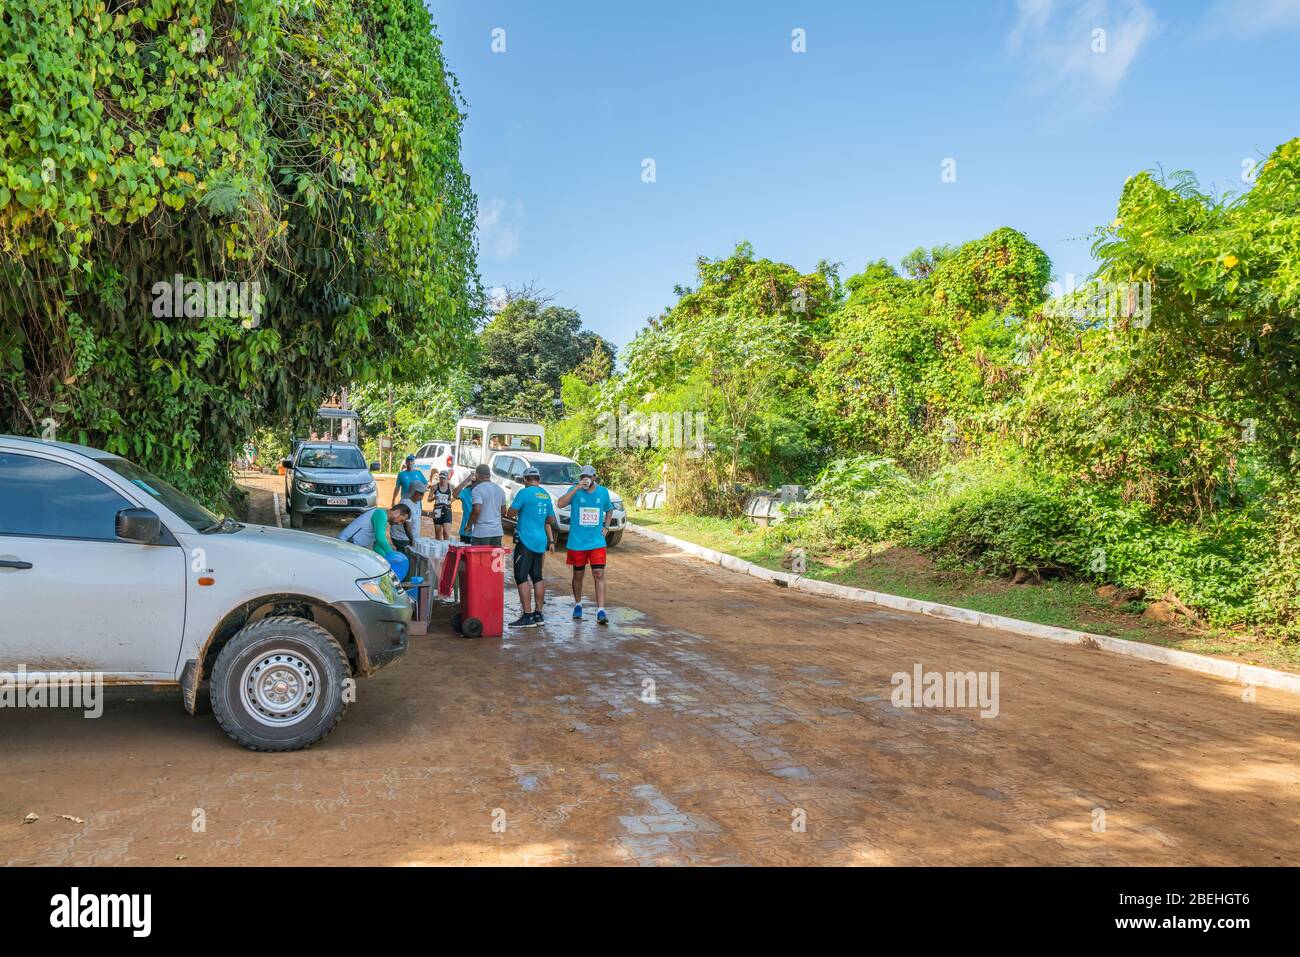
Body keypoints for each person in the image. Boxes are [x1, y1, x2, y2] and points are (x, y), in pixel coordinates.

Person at [556, 464, 614, 625]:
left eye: (588, 477)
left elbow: (609, 509)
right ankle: (578, 604)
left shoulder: (603, 492)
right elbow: (560, 504)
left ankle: (601, 610)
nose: (585, 479)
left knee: (599, 574)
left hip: (596, 542)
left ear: (595, 477)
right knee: (578, 575)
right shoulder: (575, 491)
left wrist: (606, 527)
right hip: (577, 542)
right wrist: (576, 488)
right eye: (582, 477)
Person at [506, 466, 559, 628]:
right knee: (537, 576)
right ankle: (539, 614)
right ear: (539, 479)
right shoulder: (545, 495)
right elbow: (550, 519)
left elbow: (510, 513)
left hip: (526, 540)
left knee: (521, 576)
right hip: (540, 541)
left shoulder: (524, 493)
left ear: (525, 480)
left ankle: (527, 616)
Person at [338, 503, 411, 563]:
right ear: (397, 512)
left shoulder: (382, 520)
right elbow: (380, 538)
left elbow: (377, 545)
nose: (399, 523)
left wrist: (386, 559)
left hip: (352, 548)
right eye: (401, 520)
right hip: (344, 546)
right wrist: (392, 555)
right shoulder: (380, 514)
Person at [464, 463, 506, 546]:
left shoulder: (477, 489)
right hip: (497, 532)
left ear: (476, 475)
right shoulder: (500, 489)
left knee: (479, 558)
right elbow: (504, 511)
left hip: (482, 533)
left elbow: (476, 510)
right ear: (489, 475)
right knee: (493, 559)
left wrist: (468, 525)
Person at [452, 472, 476, 544]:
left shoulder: (485, 493)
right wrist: (467, 480)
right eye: (473, 482)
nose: (475, 484)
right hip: (466, 531)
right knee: (464, 554)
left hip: (480, 532)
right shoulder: (466, 492)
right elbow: (454, 494)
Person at [430, 470, 454, 541]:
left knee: (446, 533)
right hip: (437, 511)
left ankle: (446, 550)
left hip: (447, 510)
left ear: (447, 479)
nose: (442, 480)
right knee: (438, 535)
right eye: (441, 478)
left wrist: (450, 501)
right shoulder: (434, 487)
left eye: (444, 478)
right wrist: (435, 497)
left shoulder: (451, 486)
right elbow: (428, 499)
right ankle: (439, 550)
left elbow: (457, 495)